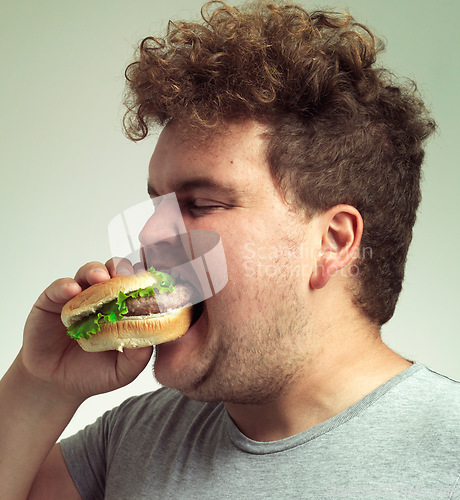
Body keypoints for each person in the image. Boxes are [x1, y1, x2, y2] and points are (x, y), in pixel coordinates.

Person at [1, 1, 458, 498]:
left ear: (332, 243)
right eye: (158, 205)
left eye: (201, 203)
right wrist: (39, 384)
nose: (152, 234)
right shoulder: (133, 439)